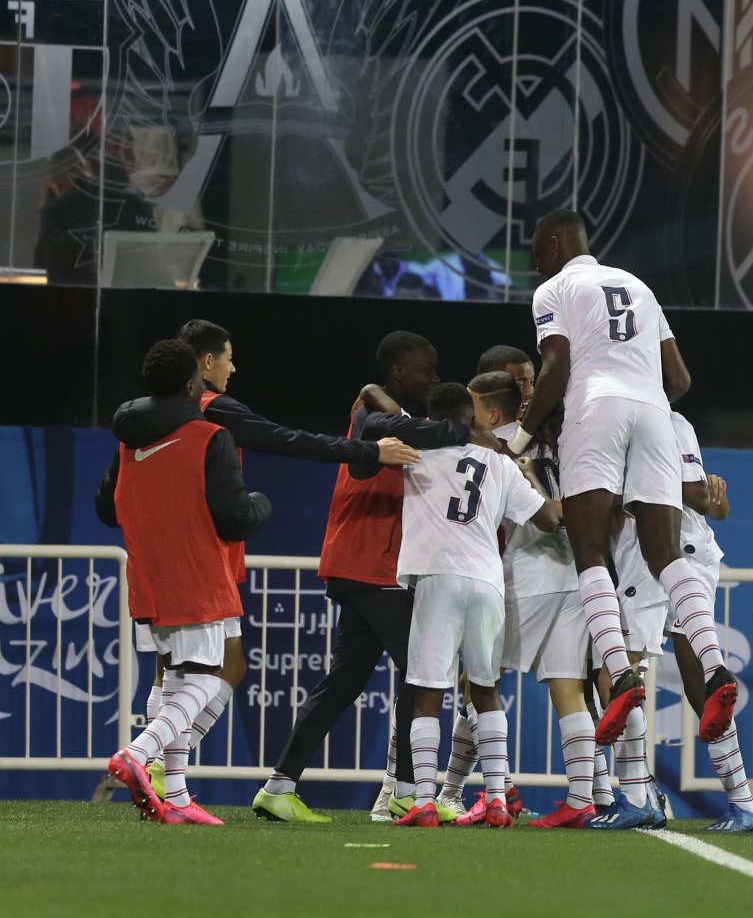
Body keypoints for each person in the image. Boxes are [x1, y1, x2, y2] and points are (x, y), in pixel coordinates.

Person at [136, 319, 422, 797]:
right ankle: (148, 760)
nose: (234, 366)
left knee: (186, 670)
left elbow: (112, 496)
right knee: (205, 673)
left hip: (158, 556)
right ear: (207, 363)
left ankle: (172, 775)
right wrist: (367, 449)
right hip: (199, 557)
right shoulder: (212, 410)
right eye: (228, 357)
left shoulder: (144, 419)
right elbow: (286, 439)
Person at [506, 208, 738, 748]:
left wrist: (523, 438)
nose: (538, 266)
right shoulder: (639, 285)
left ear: (557, 244)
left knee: (589, 549)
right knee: (666, 552)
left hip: (596, 405)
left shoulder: (555, 290)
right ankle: (717, 666)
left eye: (538, 255)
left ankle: (622, 670)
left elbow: (556, 365)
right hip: (656, 410)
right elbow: (678, 379)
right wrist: (641, 410)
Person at [252, 331, 501, 823]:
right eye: (426, 370)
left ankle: (278, 787)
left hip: (369, 567)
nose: (435, 378)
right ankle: (409, 792)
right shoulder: (371, 410)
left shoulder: (412, 422)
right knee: (422, 670)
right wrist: (460, 431)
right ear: (398, 373)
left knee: (344, 682)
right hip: (371, 565)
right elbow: (377, 421)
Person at [96, 339, 271, 824]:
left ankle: (174, 798)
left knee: (173, 678)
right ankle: (138, 753)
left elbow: (106, 509)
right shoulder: (208, 436)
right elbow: (235, 519)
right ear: (193, 382)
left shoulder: (128, 440)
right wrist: (261, 503)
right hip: (194, 574)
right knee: (202, 678)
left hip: (146, 576)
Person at [388, 382, 557, 827]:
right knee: (484, 690)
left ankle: (425, 801)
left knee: (428, 691)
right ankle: (498, 799)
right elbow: (550, 519)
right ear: (472, 418)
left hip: (438, 575)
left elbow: (379, 415)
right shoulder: (500, 464)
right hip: (486, 581)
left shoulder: (416, 451)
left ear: (432, 419)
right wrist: (523, 471)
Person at [600, 411, 753, 831]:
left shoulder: (615, 414)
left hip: (651, 551)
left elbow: (697, 495)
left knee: (617, 673)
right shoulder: (676, 419)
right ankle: (743, 802)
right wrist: (708, 492)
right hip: (695, 551)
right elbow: (709, 501)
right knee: (698, 681)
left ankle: (639, 795)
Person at [476, 344, 536, 416]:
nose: (529, 393)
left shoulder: (522, 426)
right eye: (520, 384)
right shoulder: (462, 426)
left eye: (531, 382)